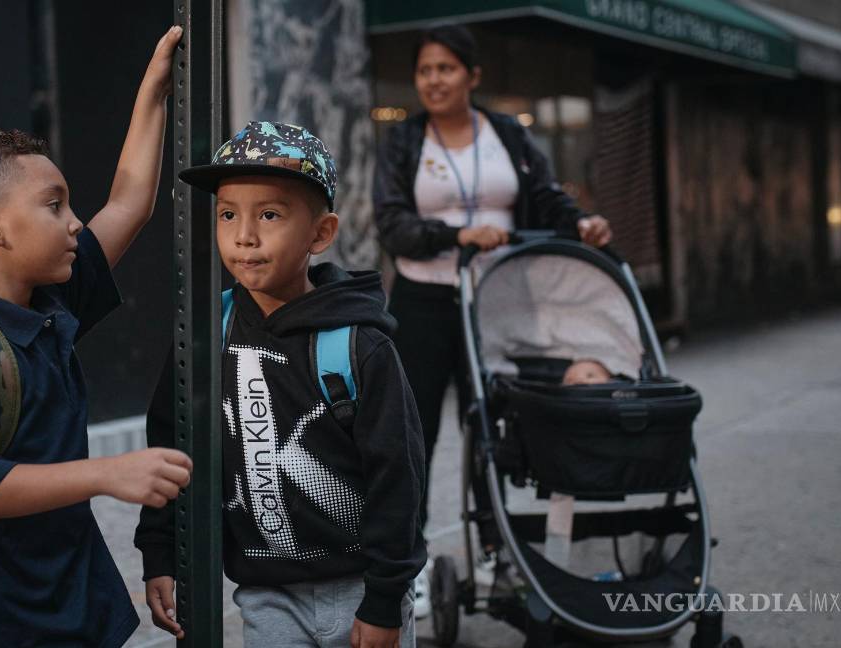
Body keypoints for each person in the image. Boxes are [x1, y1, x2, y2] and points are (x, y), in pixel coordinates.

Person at [0, 27, 192, 647]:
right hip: (9, 621)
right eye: (54, 205)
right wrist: (106, 473)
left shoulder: (50, 303)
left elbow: (129, 204)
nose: (74, 224)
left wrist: (153, 92)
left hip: (80, 602)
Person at [135, 121, 426, 648]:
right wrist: (160, 553)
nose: (245, 235)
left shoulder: (359, 345)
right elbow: (170, 446)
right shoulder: (204, 337)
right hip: (267, 596)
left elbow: (398, 479)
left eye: (269, 214)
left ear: (321, 233)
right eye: (228, 214)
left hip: (360, 590)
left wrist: (384, 599)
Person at [372, 24, 613, 612]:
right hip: (423, 301)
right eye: (425, 70)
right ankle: (412, 566)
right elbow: (392, 223)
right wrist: (459, 234)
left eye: (446, 69)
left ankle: (492, 551)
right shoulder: (405, 142)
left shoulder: (505, 133)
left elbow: (548, 197)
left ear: (472, 77)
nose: (434, 80)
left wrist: (581, 223)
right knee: (413, 434)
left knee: (491, 429)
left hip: (497, 302)